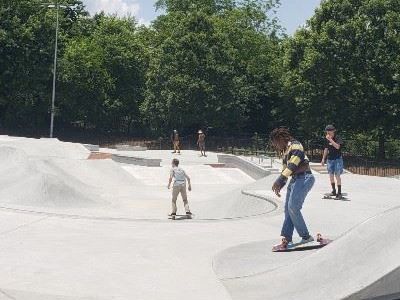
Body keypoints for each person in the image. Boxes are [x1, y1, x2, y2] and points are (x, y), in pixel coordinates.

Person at [270, 127, 315, 251]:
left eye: (275, 143)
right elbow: (287, 170)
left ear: (280, 139)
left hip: (304, 178)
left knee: (293, 207)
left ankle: (306, 236)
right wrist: (282, 184)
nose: (276, 147)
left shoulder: (296, 145)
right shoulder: (286, 151)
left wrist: (279, 180)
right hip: (295, 180)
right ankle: (287, 239)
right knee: (287, 210)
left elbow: (293, 165)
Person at [321, 125, 344, 199]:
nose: (328, 133)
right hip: (330, 159)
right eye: (327, 131)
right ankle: (334, 191)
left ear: (333, 131)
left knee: (337, 175)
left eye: (329, 131)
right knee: (331, 175)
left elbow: (337, 147)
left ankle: (339, 193)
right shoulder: (326, 138)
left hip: (337, 159)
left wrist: (330, 140)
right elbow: (326, 149)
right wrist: (323, 159)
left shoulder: (338, 138)